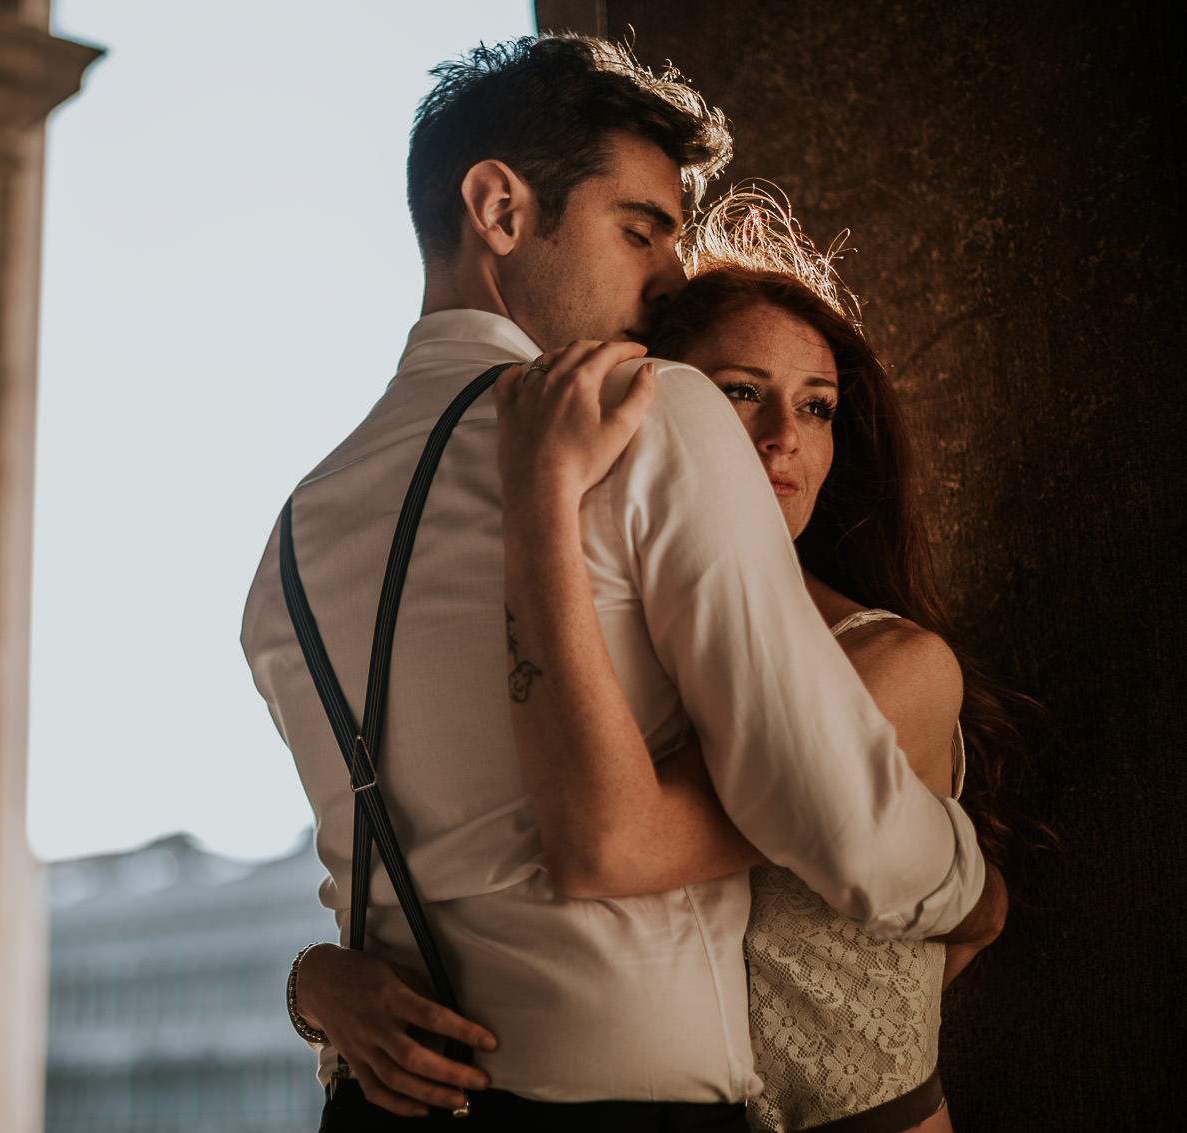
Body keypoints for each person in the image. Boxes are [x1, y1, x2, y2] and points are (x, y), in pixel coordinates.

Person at [239, 36, 1001, 1131]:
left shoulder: (293, 537)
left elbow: (377, 853)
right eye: (638, 228)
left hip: (377, 1105)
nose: (670, 275)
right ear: (498, 209)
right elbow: (819, 798)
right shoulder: (651, 414)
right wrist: (972, 888)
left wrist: (316, 980)